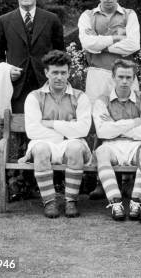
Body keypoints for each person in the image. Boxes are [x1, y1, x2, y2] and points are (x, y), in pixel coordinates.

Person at [19, 50, 92, 218]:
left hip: (71, 143)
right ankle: (49, 202)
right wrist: (67, 131)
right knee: (41, 149)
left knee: (74, 147)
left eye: (63, 72)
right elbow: (32, 130)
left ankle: (71, 201)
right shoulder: (34, 97)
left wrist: (51, 124)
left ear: (69, 72)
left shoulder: (80, 97)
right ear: (46, 72)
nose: (59, 77)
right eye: (55, 72)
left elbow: (83, 129)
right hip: (46, 143)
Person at [92, 59, 141, 221]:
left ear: (134, 79)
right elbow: (102, 132)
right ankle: (115, 202)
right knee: (101, 152)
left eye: (129, 77)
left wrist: (115, 127)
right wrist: (135, 122)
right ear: (113, 77)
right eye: (120, 77)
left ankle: (137, 201)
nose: (125, 81)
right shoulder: (102, 100)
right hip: (111, 146)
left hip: (137, 145)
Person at [0, 0, 64, 113]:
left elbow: (61, 54)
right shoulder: (4, 21)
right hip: (17, 88)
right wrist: (6, 72)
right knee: (19, 129)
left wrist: (56, 76)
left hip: (47, 86)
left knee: (47, 129)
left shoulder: (52, 19)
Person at [78, 0, 140, 104]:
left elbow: (133, 45)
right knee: (97, 117)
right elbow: (88, 43)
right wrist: (115, 38)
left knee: (128, 116)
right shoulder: (87, 16)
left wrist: (101, 46)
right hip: (97, 75)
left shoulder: (129, 14)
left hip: (125, 75)